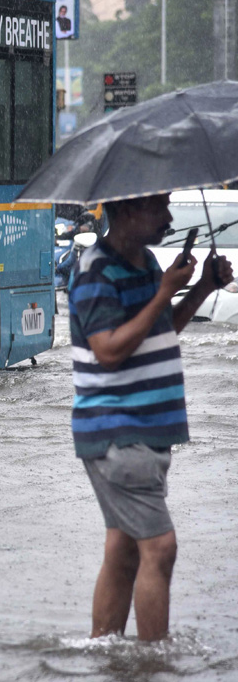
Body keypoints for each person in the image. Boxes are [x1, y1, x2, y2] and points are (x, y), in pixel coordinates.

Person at [69, 193, 233, 641]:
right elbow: (108, 351)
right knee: (160, 549)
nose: (169, 217)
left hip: (145, 432)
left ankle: (106, 655)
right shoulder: (95, 270)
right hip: (118, 431)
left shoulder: (144, 263)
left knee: (123, 550)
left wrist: (200, 289)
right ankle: (152, 666)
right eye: (158, 207)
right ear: (125, 211)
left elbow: (161, 330)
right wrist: (164, 291)